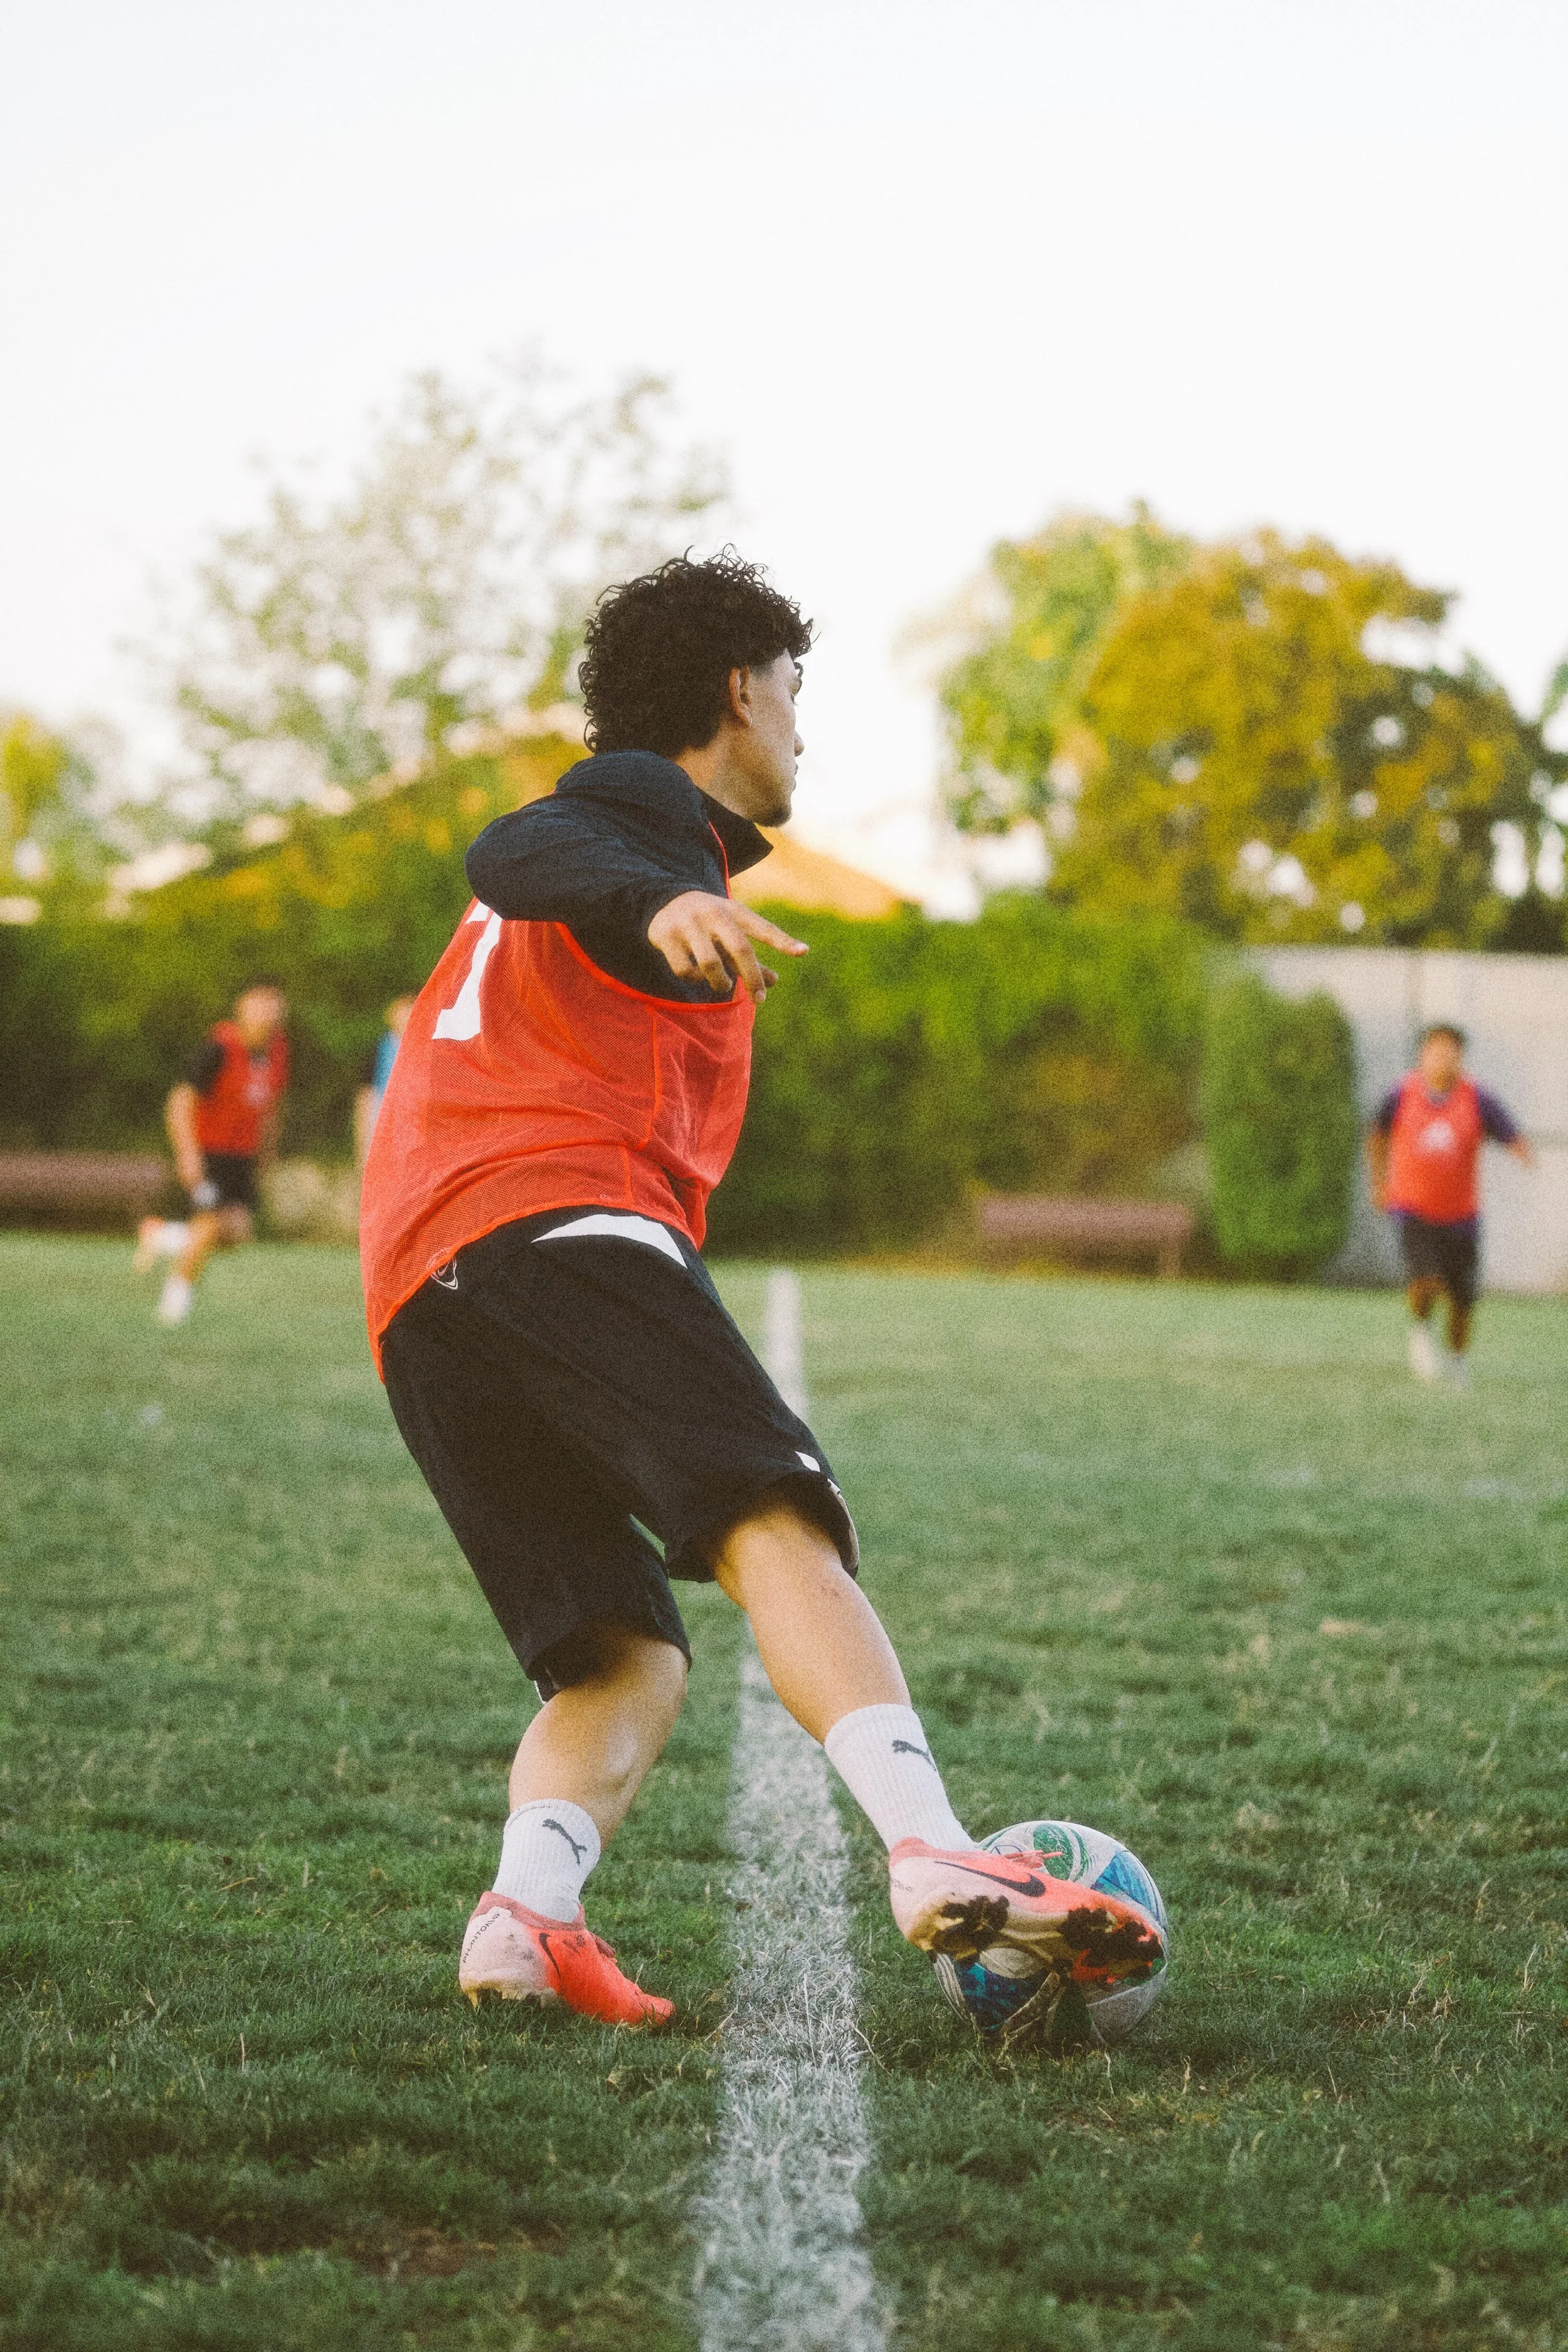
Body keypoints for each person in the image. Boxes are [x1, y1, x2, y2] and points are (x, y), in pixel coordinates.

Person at [359, 553, 1165, 2030]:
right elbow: (516, 851)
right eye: (794, 691)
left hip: (422, 1293)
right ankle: (929, 1844)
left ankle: (523, 1921)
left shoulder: (647, 842)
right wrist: (663, 892)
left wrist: (665, 894)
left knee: (622, 1652)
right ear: (737, 688)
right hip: (546, 1217)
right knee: (774, 1512)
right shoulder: (637, 813)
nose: (803, 728)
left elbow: (538, 876)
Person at [1367, 1022, 1533, 1387]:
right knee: (1427, 1281)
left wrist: (1520, 1148)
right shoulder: (1402, 1093)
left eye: (1451, 1051)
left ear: (1461, 1058)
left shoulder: (1476, 1097)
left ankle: (1458, 1360)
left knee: (1463, 1298)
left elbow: (1507, 1129)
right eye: (1436, 1050)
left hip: (1461, 1215)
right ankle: (1421, 1332)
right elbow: (1377, 1133)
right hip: (1412, 1207)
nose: (1443, 1058)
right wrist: (1379, 1183)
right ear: (1423, 1055)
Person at [133, 981, 290, 1325]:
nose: (267, 1012)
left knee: (238, 1232)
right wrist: (188, 1154)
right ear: (241, 1008)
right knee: (208, 1227)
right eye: (259, 1004)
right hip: (208, 1152)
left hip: (242, 1156)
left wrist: (267, 1156)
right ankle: (175, 1303)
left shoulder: (277, 1052)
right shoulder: (218, 1048)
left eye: (274, 1005)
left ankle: (160, 1235)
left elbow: (271, 1109)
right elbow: (180, 1101)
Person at [354, 994, 416, 1167]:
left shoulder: (430, 1049)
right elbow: (366, 1098)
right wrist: (363, 1149)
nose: (407, 1015)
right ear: (391, 1013)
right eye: (403, 1009)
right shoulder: (377, 1051)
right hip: (382, 1126)